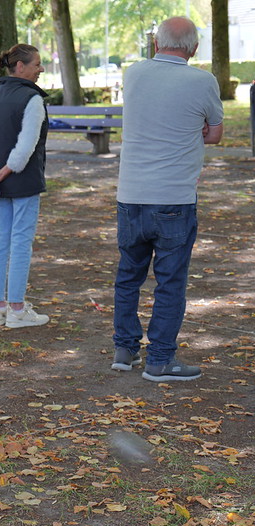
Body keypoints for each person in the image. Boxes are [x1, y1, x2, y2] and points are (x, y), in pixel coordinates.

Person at [111, 17, 223, 382]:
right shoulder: (202, 81)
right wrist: (193, 130)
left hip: (131, 194)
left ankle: (125, 349)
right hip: (174, 196)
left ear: (157, 44)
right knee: (170, 281)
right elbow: (215, 133)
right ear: (192, 48)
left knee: (129, 274)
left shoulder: (134, 74)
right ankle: (160, 359)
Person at [0, 44, 50, 329]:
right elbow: (26, 146)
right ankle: (16, 309)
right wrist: (0, 173)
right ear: (19, 67)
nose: (41, 69)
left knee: (0, 241)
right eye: (37, 64)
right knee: (20, 242)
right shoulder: (32, 100)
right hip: (22, 181)